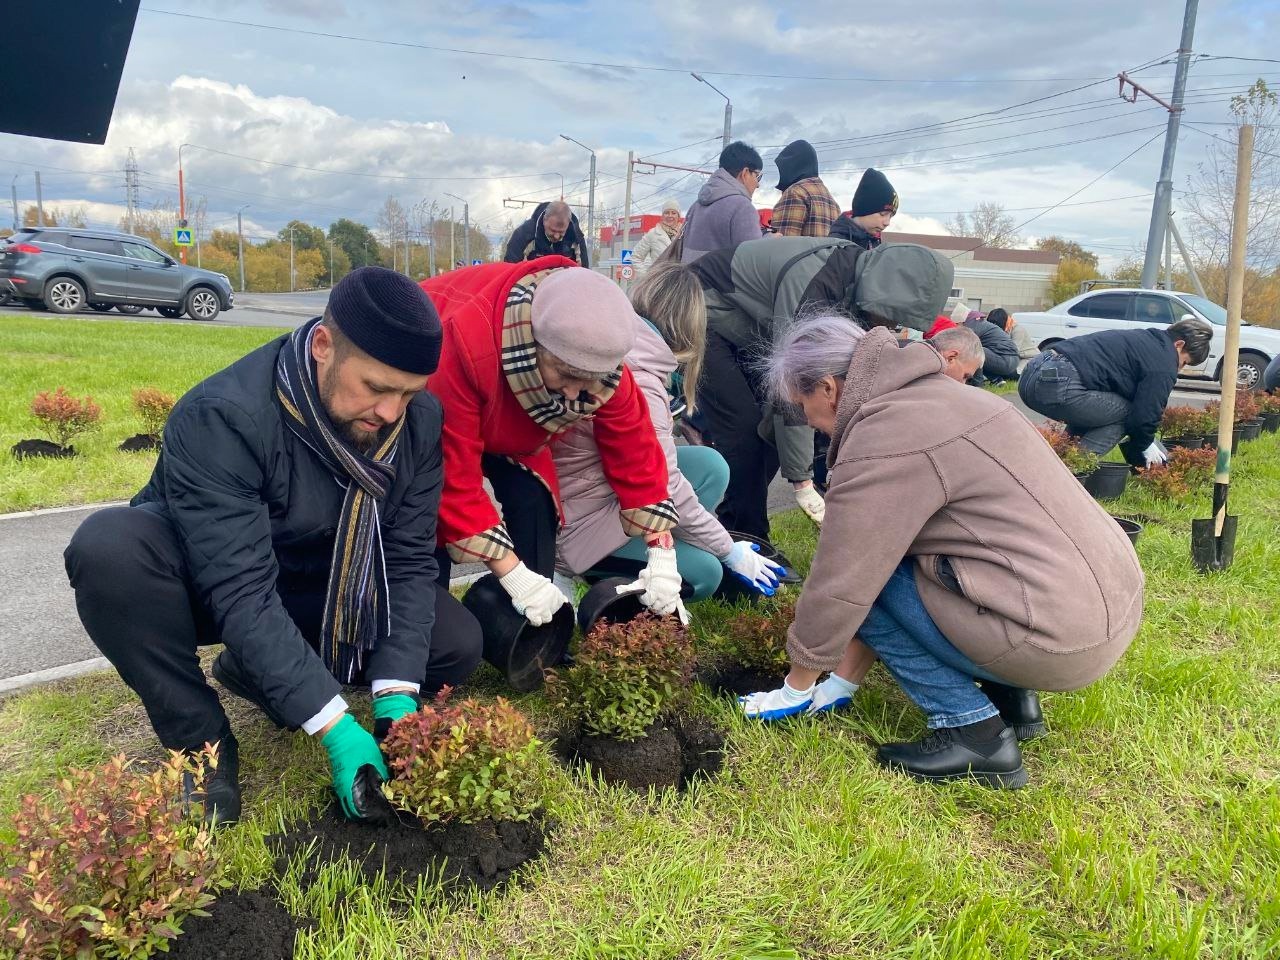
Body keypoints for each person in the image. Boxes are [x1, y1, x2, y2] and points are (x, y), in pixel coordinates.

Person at [63, 267, 484, 825]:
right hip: (207, 580)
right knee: (109, 549)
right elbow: (240, 589)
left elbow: (407, 560)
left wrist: (396, 700)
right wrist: (333, 727)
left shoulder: (418, 424)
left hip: (318, 577)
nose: (390, 414)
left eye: (408, 393)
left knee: (453, 646)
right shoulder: (223, 417)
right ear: (323, 346)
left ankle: (258, 670)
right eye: (377, 387)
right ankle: (202, 746)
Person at [739, 315, 1145, 789]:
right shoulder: (950, 396)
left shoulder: (884, 437)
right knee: (894, 558)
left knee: (867, 571)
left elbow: (845, 580)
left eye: (801, 407)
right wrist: (843, 683)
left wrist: (796, 686)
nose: (807, 422)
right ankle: (1014, 700)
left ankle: (974, 732)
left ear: (828, 388)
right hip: (1102, 612)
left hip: (1056, 641)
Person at [420, 258, 686, 642]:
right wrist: (511, 572)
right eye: (567, 376)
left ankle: (535, 636)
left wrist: (661, 553)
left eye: (590, 383)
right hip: (436, 404)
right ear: (533, 345)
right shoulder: (463, 345)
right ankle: (430, 629)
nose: (577, 394)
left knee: (534, 505)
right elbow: (453, 477)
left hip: (519, 429)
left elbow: (635, 450)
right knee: (430, 521)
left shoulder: (597, 357)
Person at [688, 235, 953, 543]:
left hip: (747, 324)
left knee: (769, 433)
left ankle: (740, 528)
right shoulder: (817, 283)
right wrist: (802, 480)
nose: (892, 326)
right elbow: (798, 383)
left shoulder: (857, 292)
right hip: (699, 306)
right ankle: (746, 540)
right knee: (744, 428)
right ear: (886, 292)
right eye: (894, 318)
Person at [554, 263, 786, 599]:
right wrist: (728, 550)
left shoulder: (630, 345)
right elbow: (666, 485)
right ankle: (595, 580)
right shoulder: (644, 382)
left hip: (594, 500)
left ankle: (656, 546)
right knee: (706, 572)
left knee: (709, 465)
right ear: (689, 327)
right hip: (578, 533)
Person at [1018, 318, 1214, 467]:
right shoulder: (1163, 362)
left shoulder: (1145, 339)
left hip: (1032, 372)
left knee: (1106, 410)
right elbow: (1143, 416)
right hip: (1059, 383)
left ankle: (1055, 462)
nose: (1179, 368)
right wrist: (1144, 444)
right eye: (1185, 362)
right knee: (1128, 415)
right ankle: (1072, 469)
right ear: (1179, 345)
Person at [680, 141, 765, 263]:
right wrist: (769, 240)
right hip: (721, 282)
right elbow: (753, 261)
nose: (758, 184)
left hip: (688, 280)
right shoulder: (742, 207)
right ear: (745, 173)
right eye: (758, 176)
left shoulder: (696, 205)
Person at [770, 140, 840, 238]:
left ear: (792, 166)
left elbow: (782, 245)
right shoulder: (832, 202)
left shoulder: (795, 193)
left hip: (798, 253)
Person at [504, 199, 590, 267]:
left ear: (568, 223)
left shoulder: (576, 237)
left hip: (565, 282)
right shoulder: (523, 234)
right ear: (544, 220)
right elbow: (510, 269)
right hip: (531, 282)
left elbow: (584, 272)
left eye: (561, 232)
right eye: (553, 230)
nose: (556, 236)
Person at [829, 168, 899, 249]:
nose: (887, 223)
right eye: (882, 214)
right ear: (864, 209)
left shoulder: (875, 242)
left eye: (890, 216)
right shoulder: (837, 246)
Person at [959, 307, 1020, 386]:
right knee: (979, 353)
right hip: (1012, 360)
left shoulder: (973, 326)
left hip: (1006, 360)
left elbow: (965, 345)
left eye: (957, 324)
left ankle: (977, 384)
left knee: (974, 350)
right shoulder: (981, 323)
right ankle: (996, 380)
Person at [631, 199, 682, 275]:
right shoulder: (653, 234)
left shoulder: (684, 234)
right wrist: (646, 277)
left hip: (680, 282)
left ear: (678, 216)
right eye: (666, 213)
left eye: (673, 213)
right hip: (659, 282)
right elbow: (635, 257)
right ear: (662, 215)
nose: (670, 215)